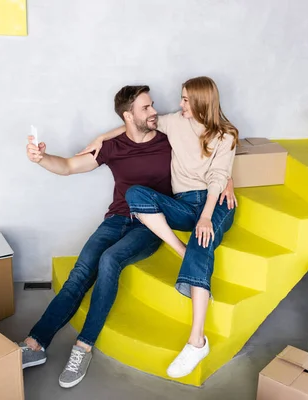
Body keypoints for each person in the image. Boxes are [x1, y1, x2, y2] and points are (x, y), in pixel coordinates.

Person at [79, 76, 238, 378]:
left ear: (203, 102)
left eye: (186, 100)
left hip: (214, 203)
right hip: (182, 202)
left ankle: (196, 340)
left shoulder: (226, 135)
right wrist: (102, 137)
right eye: (181, 98)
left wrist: (206, 215)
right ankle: (179, 248)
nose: (179, 105)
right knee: (135, 193)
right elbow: (136, 123)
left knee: (202, 243)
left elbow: (218, 178)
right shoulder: (176, 122)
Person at [21, 85, 172, 388]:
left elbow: (209, 142)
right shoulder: (113, 146)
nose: (154, 111)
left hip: (151, 224)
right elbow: (67, 166)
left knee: (110, 259)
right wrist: (41, 158)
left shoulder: (170, 139)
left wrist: (227, 181)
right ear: (128, 115)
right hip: (117, 219)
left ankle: (83, 346)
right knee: (80, 273)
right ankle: (36, 343)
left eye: (152, 105)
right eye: (146, 108)